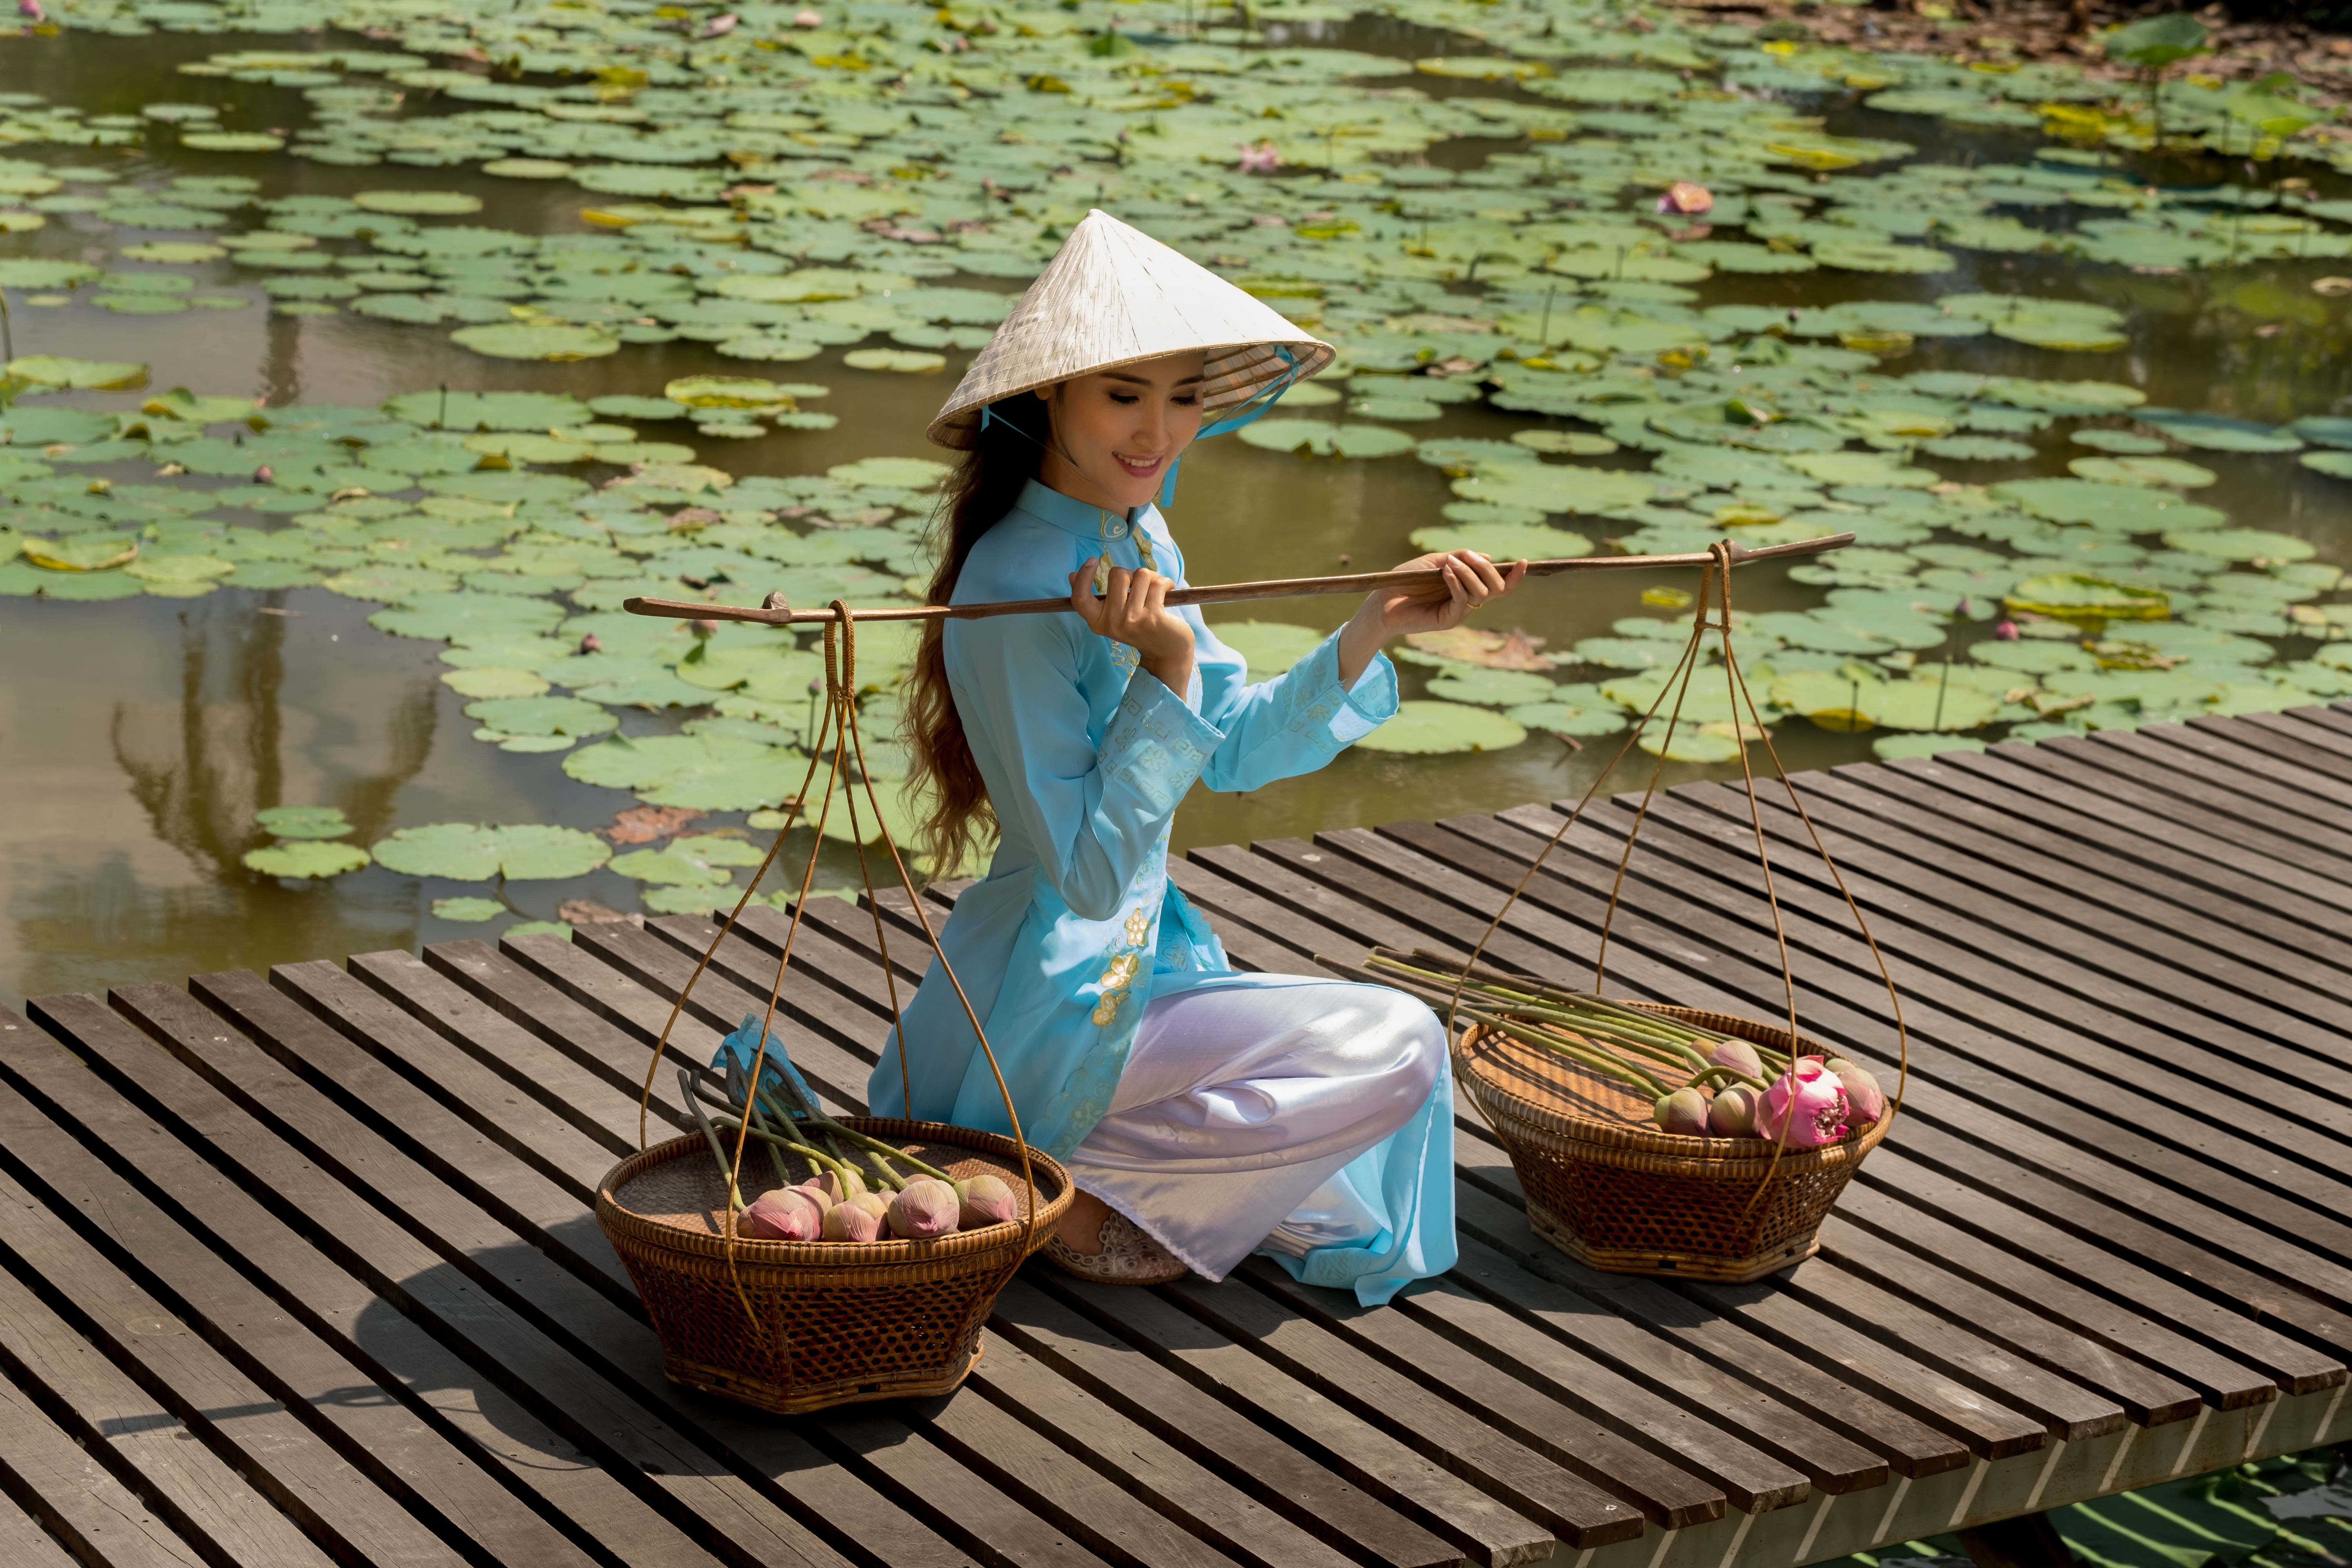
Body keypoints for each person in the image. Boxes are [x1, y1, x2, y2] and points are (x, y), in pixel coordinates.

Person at [867, 210, 1523, 1303]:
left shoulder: (1139, 537)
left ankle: (1091, 1176)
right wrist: (1166, 665)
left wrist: (1373, 627)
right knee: (1403, 1039)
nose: (1158, 432)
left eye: (1182, 397)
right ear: (1050, 398)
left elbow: (1233, 751)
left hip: (1141, 968)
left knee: (1383, 1066)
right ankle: (1072, 1180)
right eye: (1124, 395)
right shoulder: (1011, 586)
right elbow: (1085, 876)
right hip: (1047, 998)